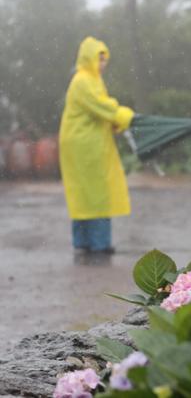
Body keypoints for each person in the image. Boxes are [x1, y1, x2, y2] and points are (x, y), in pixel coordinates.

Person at [59, 37, 135, 254]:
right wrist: (125, 116)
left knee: (86, 194)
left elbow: (99, 110)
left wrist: (114, 121)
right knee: (94, 193)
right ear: (88, 58)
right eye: (99, 59)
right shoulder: (83, 81)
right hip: (83, 144)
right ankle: (98, 244)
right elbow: (102, 107)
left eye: (104, 60)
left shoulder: (93, 80)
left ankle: (84, 242)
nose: (102, 64)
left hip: (89, 141)